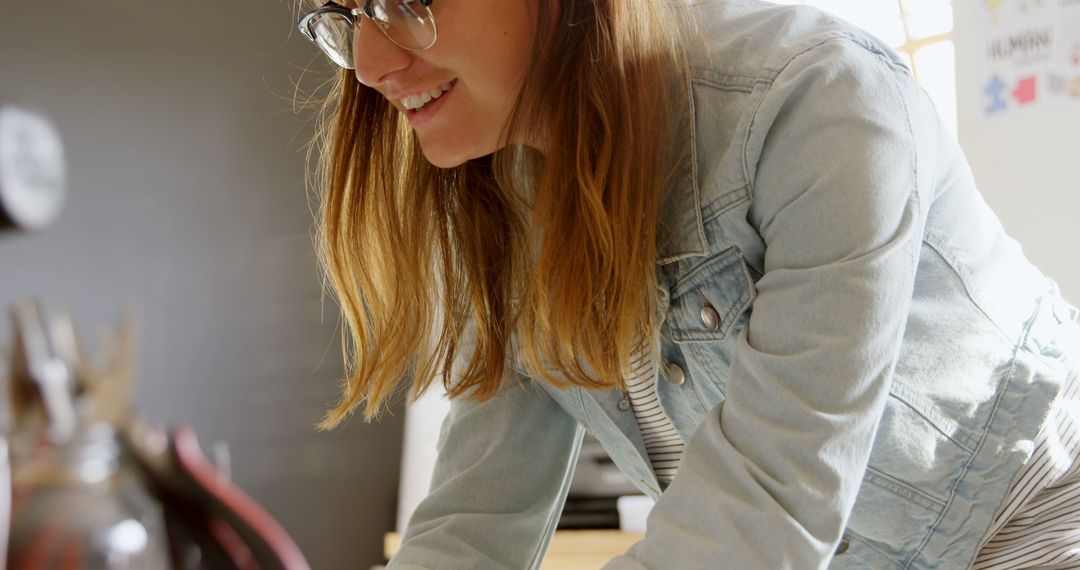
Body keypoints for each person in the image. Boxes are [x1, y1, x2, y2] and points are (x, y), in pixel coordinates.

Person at [295, 0, 1080, 568]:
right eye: (349, 10)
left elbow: (766, 506)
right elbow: (474, 523)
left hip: (1034, 520)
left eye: (408, 0)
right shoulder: (502, 201)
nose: (369, 63)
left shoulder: (820, 102)